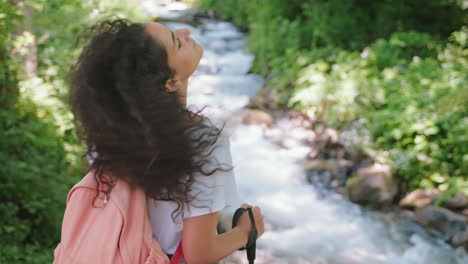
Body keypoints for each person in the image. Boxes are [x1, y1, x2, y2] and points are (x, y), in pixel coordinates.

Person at [53, 18, 265, 264]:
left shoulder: (112, 133)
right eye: (177, 42)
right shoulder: (201, 141)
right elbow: (199, 254)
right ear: (171, 82)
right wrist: (245, 233)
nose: (186, 32)